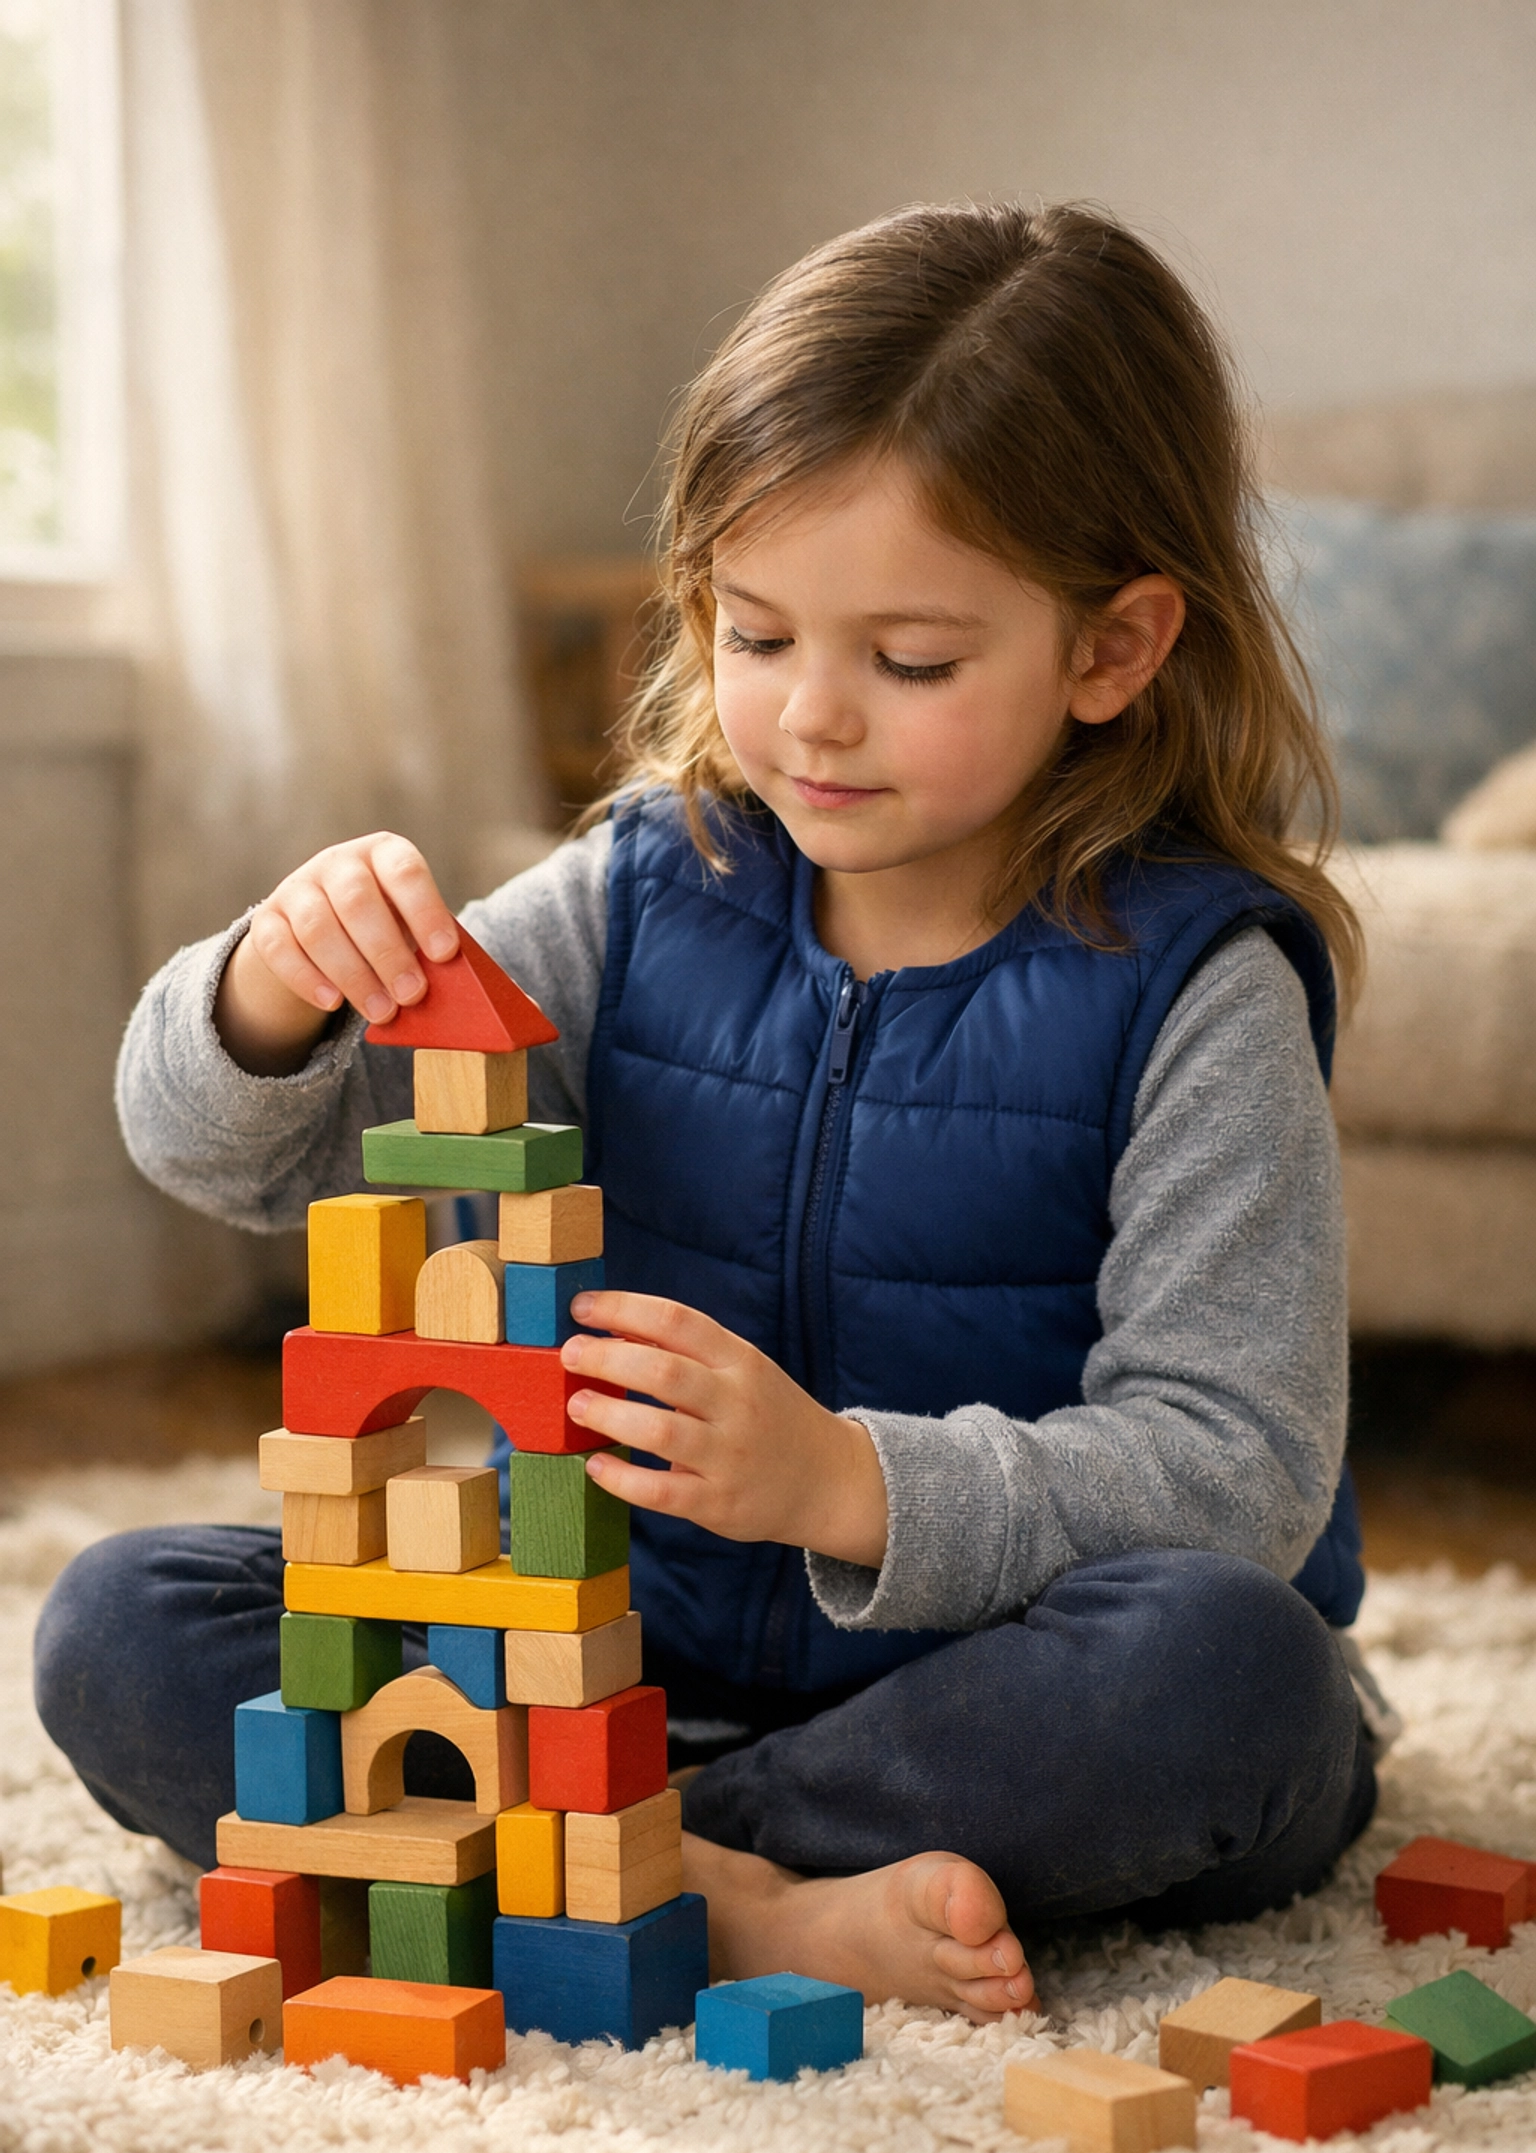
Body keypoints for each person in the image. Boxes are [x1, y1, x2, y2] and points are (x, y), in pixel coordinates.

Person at [37, 201, 1384, 2021]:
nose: (812, 719)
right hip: (599, 1651)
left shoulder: (1198, 988)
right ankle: (725, 1892)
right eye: (754, 635)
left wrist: (849, 1483)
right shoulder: (635, 897)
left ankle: (618, 1857)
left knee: (1237, 1681)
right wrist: (263, 993)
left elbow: (1238, 1473)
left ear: (1113, 649)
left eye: (909, 664)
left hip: (973, 1680)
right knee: (118, 1622)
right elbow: (226, 1155)